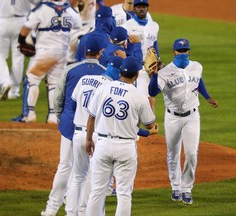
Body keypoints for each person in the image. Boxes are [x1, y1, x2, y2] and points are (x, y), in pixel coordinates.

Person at [40, 36, 106, 216]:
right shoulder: (104, 72)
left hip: (70, 125)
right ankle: (84, 210)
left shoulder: (70, 69)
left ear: (84, 51)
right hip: (94, 129)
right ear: (100, 53)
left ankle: (51, 209)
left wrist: (63, 117)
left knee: (65, 166)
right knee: (89, 172)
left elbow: (58, 97)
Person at [148, 38, 218, 205]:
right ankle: (175, 186)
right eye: (180, 51)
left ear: (189, 51)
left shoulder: (197, 66)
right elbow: (152, 92)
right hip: (172, 118)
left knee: (192, 154)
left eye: (185, 50)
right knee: (173, 153)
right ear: (174, 52)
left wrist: (207, 96)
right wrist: (154, 74)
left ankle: (187, 188)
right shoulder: (164, 72)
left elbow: (198, 80)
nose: (183, 53)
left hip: (192, 117)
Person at [85, 56, 157, 216]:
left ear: (120, 72)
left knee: (97, 191)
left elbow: (91, 117)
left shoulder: (103, 88)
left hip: (102, 144)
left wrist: (89, 139)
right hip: (125, 147)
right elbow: (150, 125)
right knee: (124, 193)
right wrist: (151, 103)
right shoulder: (138, 96)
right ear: (136, 76)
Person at [65, 56, 124, 216]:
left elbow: (74, 101)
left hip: (77, 133)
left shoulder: (85, 79)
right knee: (94, 177)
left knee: (77, 176)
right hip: (95, 136)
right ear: (119, 72)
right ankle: (85, 211)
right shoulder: (111, 88)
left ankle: (70, 213)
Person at [13, 0, 82, 123]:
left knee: (32, 79)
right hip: (63, 54)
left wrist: (21, 41)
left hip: (45, 52)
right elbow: (78, 24)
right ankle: (52, 117)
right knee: (54, 83)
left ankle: (29, 114)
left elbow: (26, 27)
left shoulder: (42, 8)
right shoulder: (70, 10)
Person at [0, 0, 41, 100]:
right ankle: (14, 91)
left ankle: (5, 82)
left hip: (2, 21)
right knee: (18, 57)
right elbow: (39, 3)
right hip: (21, 21)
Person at [122, 0, 159, 110]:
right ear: (134, 9)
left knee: (147, 99)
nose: (142, 9)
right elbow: (123, 47)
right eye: (139, 6)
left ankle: (150, 126)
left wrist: (157, 61)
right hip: (132, 68)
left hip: (148, 68)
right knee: (129, 100)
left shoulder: (154, 26)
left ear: (147, 8)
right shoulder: (127, 26)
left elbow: (155, 45)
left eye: (144, 6)